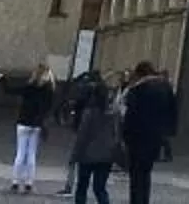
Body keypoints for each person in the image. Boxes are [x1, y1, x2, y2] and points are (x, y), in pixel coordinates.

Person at [120, 63, 177, 204]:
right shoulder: (165, 88)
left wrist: (125, 136)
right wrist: (167, 132)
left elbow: (130, 115)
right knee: (146, 173)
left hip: (137, 138)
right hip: (155, 138)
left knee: (136, 176)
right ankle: (143, 200)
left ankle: (136, 201)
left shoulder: (138, 89)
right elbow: (173, 112)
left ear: (140, 74)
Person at [68, 78, 120, 204]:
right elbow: (116, 133)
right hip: (106, 155)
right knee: (100, 188)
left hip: (87, 154)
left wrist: (74, 156)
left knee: (82, 187)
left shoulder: (89, 113)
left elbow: (82, 136)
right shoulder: (113, 113)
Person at [13, 62, 59, 194]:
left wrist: (2, 80)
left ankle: (16, 181)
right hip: (37, 124)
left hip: (23, 122)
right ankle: (29, 182)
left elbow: (11, 90)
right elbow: (49, 107)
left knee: (20, 153)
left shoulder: (30, 86)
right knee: (31, 154)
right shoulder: (49, 90)